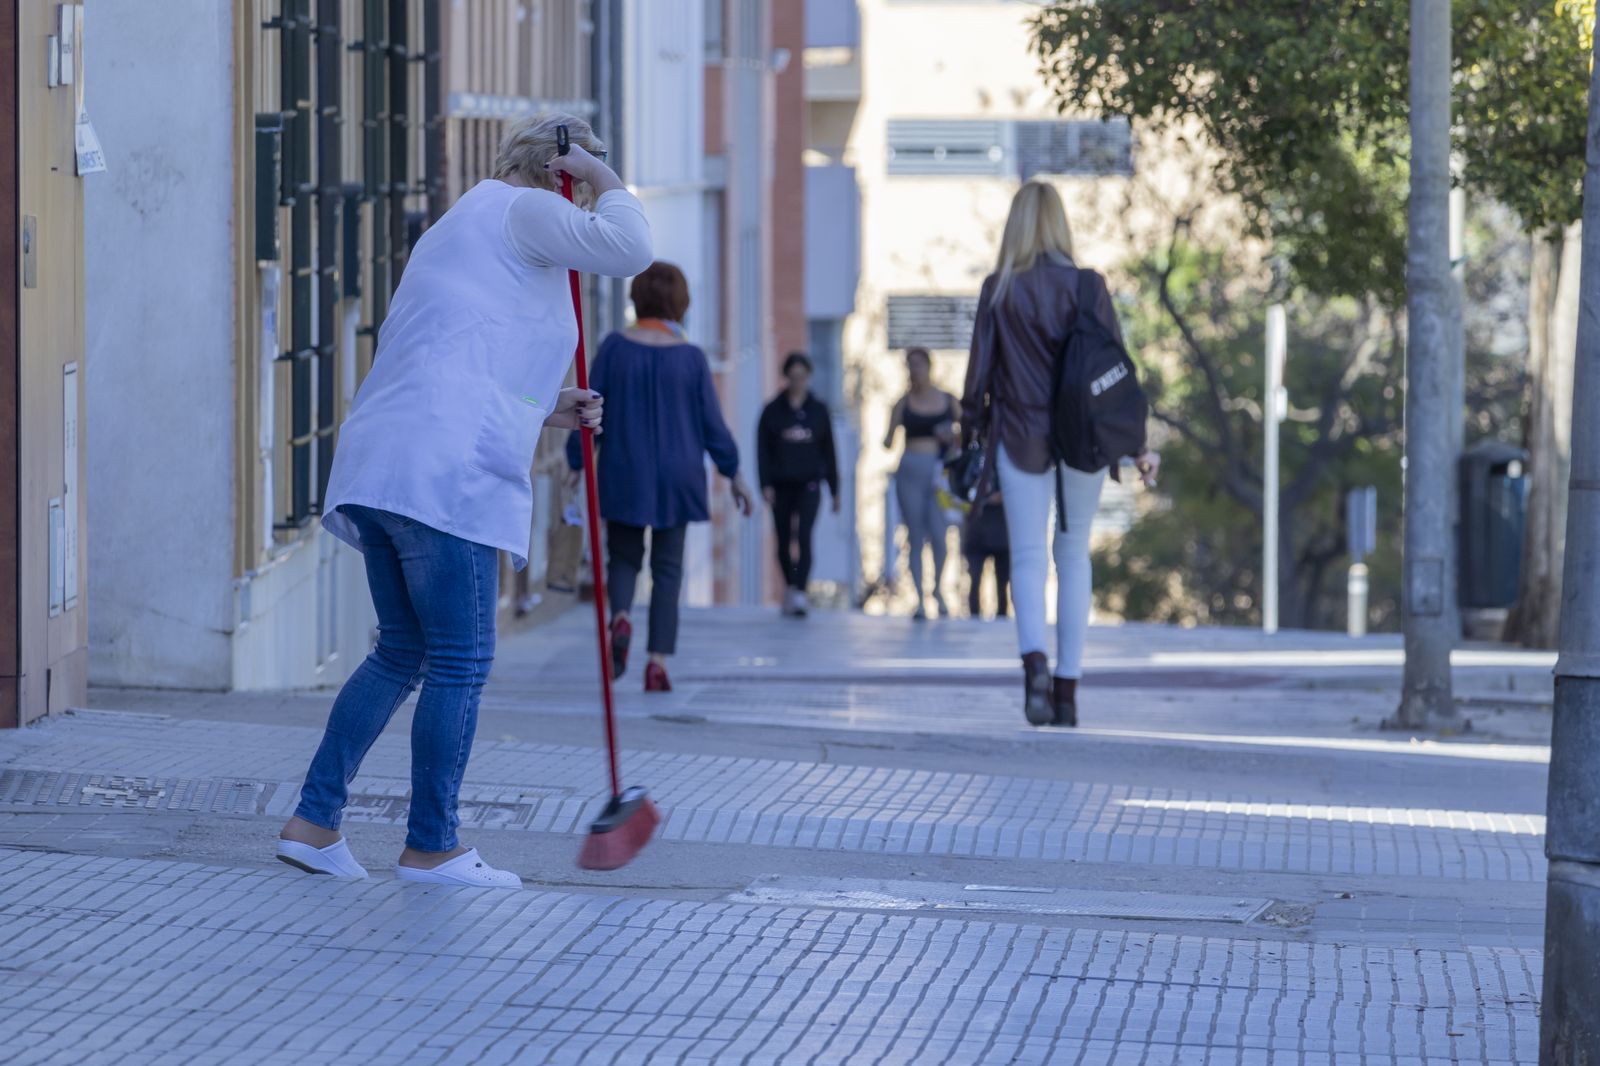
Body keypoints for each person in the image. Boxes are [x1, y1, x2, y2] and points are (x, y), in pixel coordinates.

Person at [276, 114, 651, 887]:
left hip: (386, 462)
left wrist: (545, 405)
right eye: (581, 186)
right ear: (560, 174)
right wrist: (601, 177)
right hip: (445, 478)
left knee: (401, 651)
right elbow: (630, 249)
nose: (585, 203)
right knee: (459, 659)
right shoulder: (527, 208)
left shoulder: (461, 223)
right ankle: (432, 846)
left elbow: (461, 353)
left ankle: (314, 822)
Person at [962, 180, 1157, 728]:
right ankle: (1068, 689)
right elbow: (1114, 372)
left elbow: (978, 373)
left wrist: (969, 434)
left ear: (1017, 226)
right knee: (1072, 555)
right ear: (1061, 224)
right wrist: (1137, 444)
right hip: (1084, 438)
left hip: (1019, 434)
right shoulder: (1088, 286)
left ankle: (1035, 669)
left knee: (1026, 557)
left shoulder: (999, 288)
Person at [567, 261, 754, 692]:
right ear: (680, 303)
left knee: (624, 557)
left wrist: (577, 462)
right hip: (678, 475)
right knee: (668, 569)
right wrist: (734, 474)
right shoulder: (691, 358)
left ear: (637, 299)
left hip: (624, 469)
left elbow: (588, 408)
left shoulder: (614, 348)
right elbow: (713, 426)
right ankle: (657, 664)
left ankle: (621, 617)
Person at [758, 353, 841, 617]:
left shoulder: (818, 410)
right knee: (783, 539)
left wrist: (835, 489)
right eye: (793, 377)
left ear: (808, 377)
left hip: (809, 484)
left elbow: (829, 451)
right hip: (781, 484)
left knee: (804, 535)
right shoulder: (773, 411)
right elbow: (762, 451)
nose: (797, 382)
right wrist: (765, 484)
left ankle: (801, 591)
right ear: (786, 377)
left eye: (801, 377)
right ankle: (790, 585)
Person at [883, 347, 958, 621]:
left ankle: (938, 589)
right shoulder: (903, 403)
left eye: (919, 364)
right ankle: (919, 599)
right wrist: (892, 422)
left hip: (939, 473)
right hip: (910, 470)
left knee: (940, 535)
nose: (915, 370)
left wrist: (951, 437)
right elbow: (888, 442)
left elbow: (969, 434)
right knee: (914, 535)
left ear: (929, 366)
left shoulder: (948, 400)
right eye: (910, 365)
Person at [963, 489, 1010, 620]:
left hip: (1002, 535)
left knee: (1002, 584)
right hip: (976, 536)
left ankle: (1002, 615)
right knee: (974, 579)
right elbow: (960, 492)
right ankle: (974, 615)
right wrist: (985, 498)